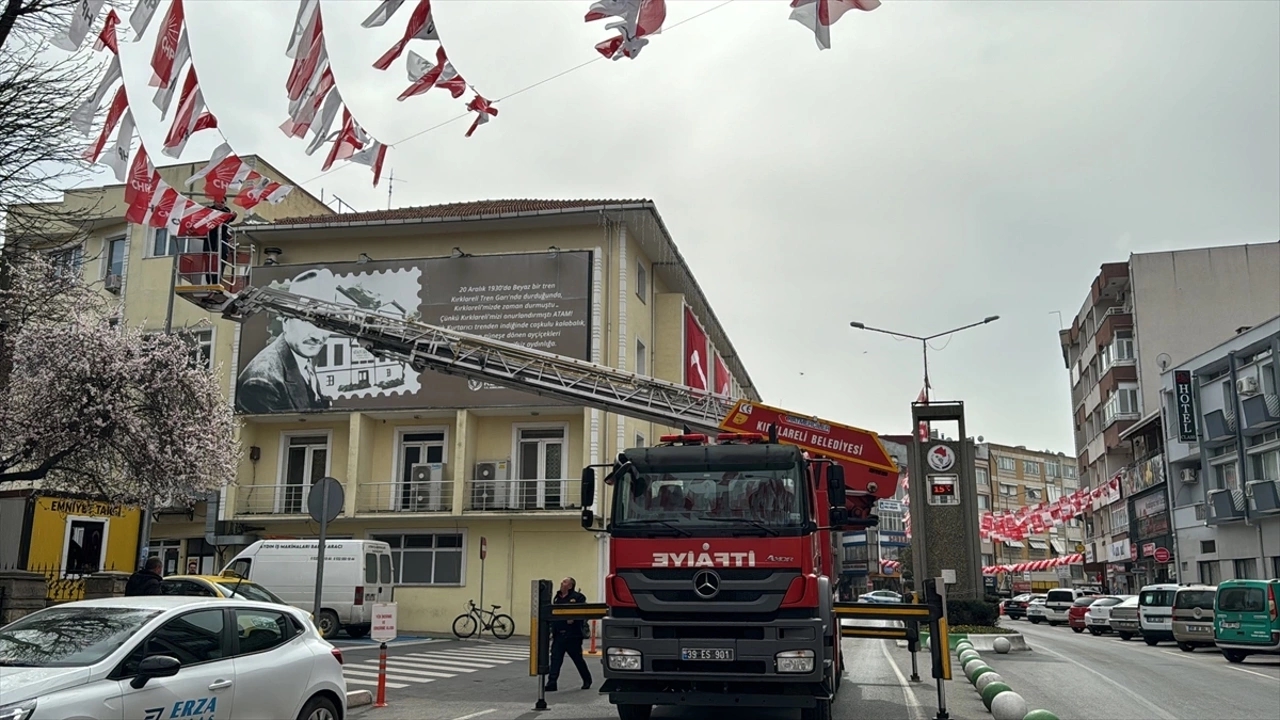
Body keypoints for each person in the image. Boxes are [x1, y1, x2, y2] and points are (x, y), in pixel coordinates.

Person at [235, 269, 335, 414]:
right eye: (307, 320)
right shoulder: (261, 383)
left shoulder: (301, 358)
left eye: (325, 324)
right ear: (286, 321)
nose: (317, 335)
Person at [545, 576, 593, 692]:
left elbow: (584, 612)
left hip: (573, 635)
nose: (562, 583)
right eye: (562, 581)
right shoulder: (557, 598)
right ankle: (552, 683)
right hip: (559, 634)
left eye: (565, 582)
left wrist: (575, 618)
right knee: (555, 659)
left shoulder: (578, 597)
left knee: (577, 659)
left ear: (570, 585)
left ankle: (587, 680)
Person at [203, 200, 238, 285]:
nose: (220, 204)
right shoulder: (208, 211)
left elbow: (229, 218)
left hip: (222, 240)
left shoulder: (226, 212)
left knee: (221, 259)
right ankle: (209, 281)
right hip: (210, 239)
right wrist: (205, 211)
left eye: (222, 202)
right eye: (218, 201)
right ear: (214, 202)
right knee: (209, 261)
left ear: (225, 203)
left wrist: (234, 216)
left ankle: (217, 281)